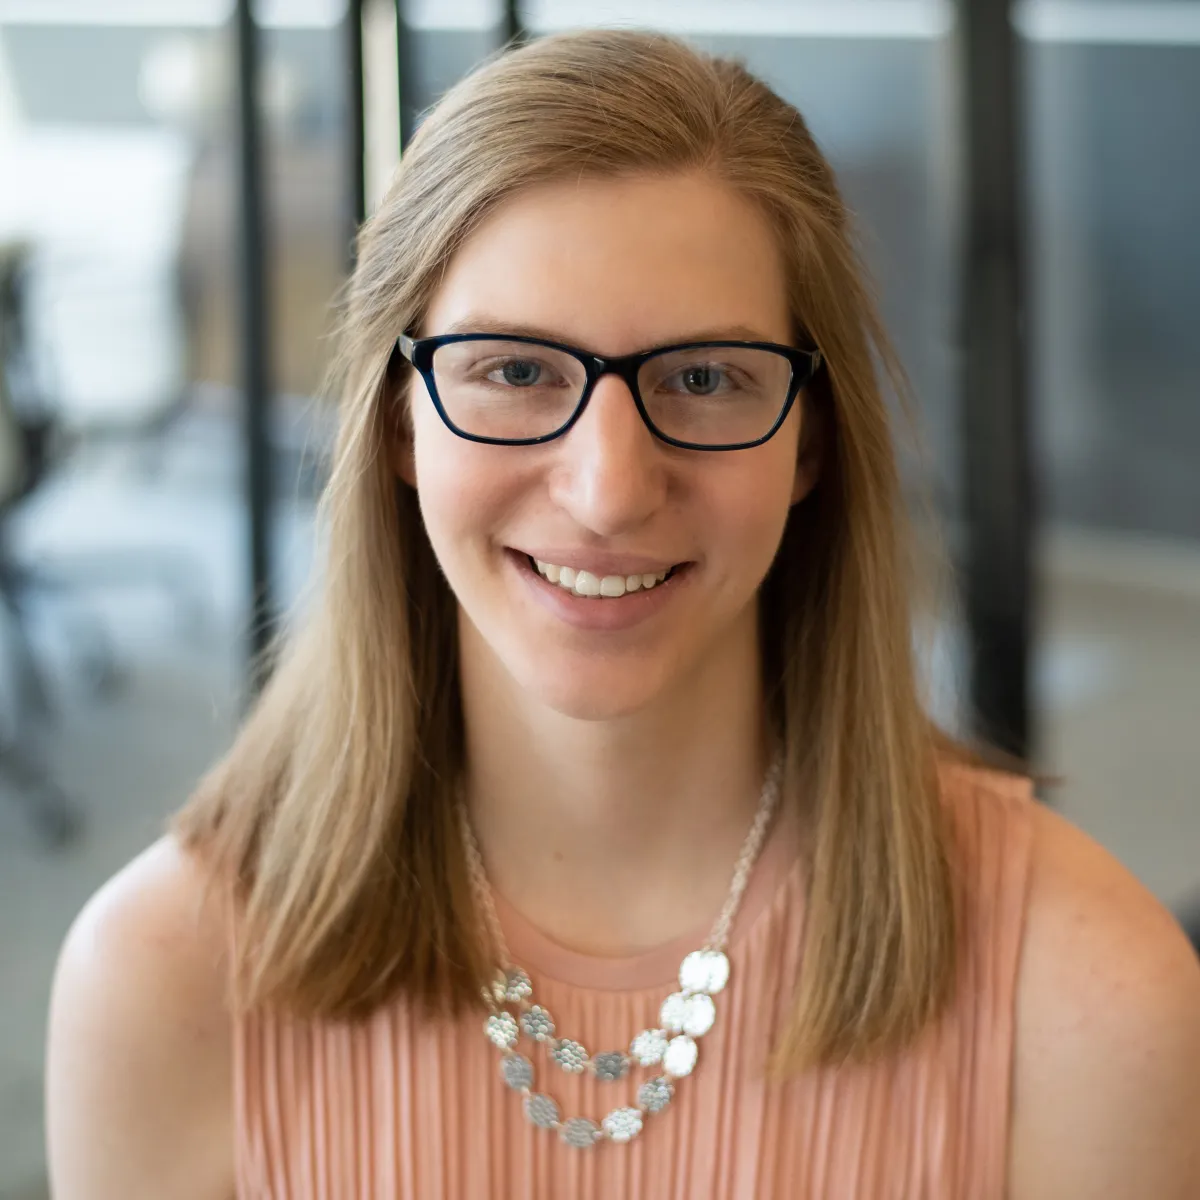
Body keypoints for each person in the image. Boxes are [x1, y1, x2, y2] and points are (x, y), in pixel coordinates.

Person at [45, 29, 1200, 1199]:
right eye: (514, 371)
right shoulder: (162, 979)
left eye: (704, 380)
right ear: (400, 422)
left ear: (811, 443)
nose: (607, 490)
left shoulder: (1083, 989)